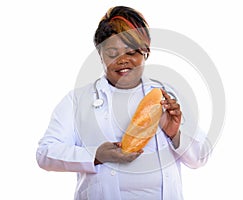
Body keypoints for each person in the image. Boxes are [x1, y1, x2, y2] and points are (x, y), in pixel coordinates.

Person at [36, 6, 210, 200]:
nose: (123, 61)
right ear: (100, 55)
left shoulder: (168, 96)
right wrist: (96, 155)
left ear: (145, 53)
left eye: (132, 52)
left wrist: (174, 134)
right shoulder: (78, 100)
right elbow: (45, 153)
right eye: (112, 53)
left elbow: (200, 157)